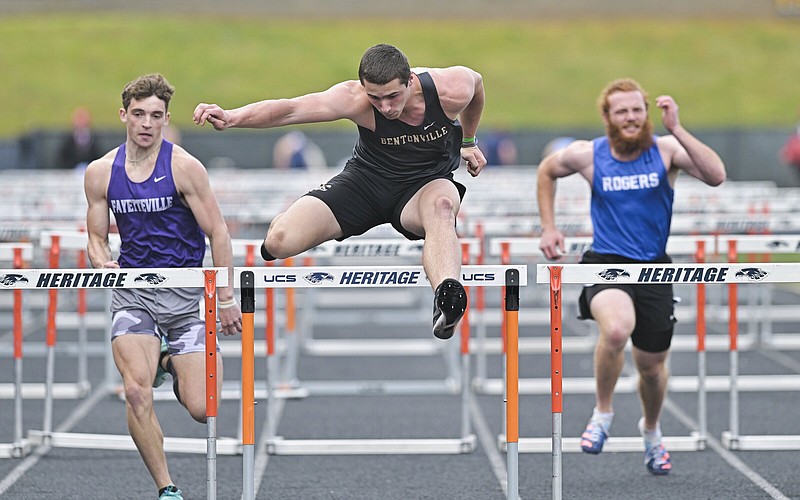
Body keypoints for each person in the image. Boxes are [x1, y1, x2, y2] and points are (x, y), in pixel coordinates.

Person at [194, 43, 486, 340]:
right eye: (376, 98)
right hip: (366, 183)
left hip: (424, 186)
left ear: (410, 80)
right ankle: (295, 227)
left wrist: (469, 140)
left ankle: (447, 296)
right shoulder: (354, 99)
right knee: (279, 242)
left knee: (443, 206)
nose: (385, 107)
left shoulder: (450, 88)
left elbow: (477, 86)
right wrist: (231, 117)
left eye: (393, 96)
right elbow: (289, 110)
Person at [537, 78, 726, 475]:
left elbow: (715, 175)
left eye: (637, 110)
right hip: (606, 261)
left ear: (646, 113)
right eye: (621, 111)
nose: (631, 118)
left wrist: (676, 127)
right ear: (607, 117)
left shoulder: (666, 149)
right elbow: (547, 171)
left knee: (652, 368)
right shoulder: (590, 155)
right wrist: (548, 227)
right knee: (618, 330)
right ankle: (603, 412)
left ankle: (651, 432)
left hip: (654, 266)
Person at [84, 73, 242, 500]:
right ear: (124, 115)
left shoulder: (185, 167)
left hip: (187, 298)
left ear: (167, 118)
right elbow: (96, 237)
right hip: (134, 293)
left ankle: (168, 362)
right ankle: (166, 488)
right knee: (135, 391)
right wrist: (101, 259)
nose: (147, 124)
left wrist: (226, 297)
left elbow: (219, 233)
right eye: (138, 114)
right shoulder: (101, 172)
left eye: (156, 115)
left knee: (203, 408)